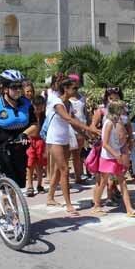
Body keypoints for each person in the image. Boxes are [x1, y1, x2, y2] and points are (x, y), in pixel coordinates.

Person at [45, 75, 100, 216]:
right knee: (64, 170)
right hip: (54, 139)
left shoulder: (69, 103)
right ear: (65, 88)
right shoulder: (57, 102)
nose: (76, 91)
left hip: (65, 138)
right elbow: (68, 119)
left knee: (58, 170)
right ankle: (69, 205)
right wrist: (90, 128)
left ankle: (50, 197)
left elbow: (73, 123)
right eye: (74, 88)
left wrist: (86, 135)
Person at [0, 69, 38, 189]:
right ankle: (7, 201)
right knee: (7, 187)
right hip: (0, 150)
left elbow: (35, 124)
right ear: (5, 89)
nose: (19, 90)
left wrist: (24, 134)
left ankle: (12, 200)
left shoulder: (26, 104)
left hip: (19, 149)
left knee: (18, 186)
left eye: (20, 86)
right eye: (14, 87)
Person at [92, 100, 135, 218]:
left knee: (122, 182)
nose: (125, 112)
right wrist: (116, 155)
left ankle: (129, 209)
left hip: (116, 155)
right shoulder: (109, 123)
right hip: (108, 157)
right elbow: (105, 143)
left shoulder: (117, 122)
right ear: (117, 110)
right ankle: (96, 206)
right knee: (103, 182)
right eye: (123, 109)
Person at [90, 87, 132, 206]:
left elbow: (127, 126)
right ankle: (98, 201)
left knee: (117, 176)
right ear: (107, 98)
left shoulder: (123, 111)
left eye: (116, 98)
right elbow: (92, 126)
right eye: (111, 98)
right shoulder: (102, 110)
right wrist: (100, 133)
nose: (113, 100)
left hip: (119, 146)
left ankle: (112, 196)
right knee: (103, 178)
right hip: (106, 147)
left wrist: (129, 139)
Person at [67, 74, 88, 184]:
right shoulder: (66, 99)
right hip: (70, 128)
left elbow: (85, 113)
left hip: (82, 127)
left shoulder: (82, 97)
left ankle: (78, 175)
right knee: (70, 153)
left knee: (78, 153)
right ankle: (72, 176)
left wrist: (87, 126)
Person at [25, 95, 47, 197]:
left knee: (40, 164)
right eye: (36, 106)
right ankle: (30, 185)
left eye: (41, 106)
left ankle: (39, 184)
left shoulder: (44, 116)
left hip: (41, 140)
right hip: (30, 140)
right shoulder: (28, 115)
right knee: (30, 164)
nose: (38, 108)